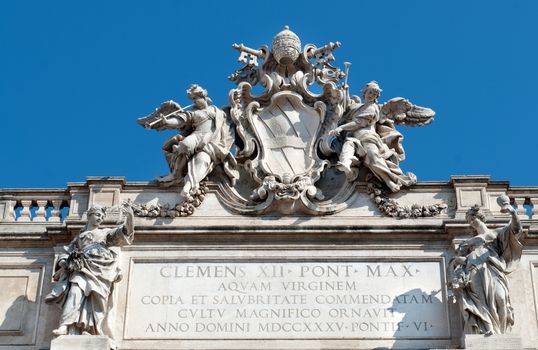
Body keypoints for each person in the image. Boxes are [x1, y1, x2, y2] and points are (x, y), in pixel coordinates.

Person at [45, 202, 134, 338]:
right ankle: (65, 325)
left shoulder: (105, 233)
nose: (100, 218)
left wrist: (130, 217)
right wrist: (64, 262)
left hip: (101, 269)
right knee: (75, 293)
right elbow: (67, 251)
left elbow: (125, 232)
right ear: (89, 215)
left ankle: (92, 328)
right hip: (81, 268)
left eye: (102, 217)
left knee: (98, 300)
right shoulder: (79, 237)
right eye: (97, 215)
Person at [146, 84, 236, 201]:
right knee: (184, 145)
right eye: (193, 99)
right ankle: (176, 174)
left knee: (202, 160)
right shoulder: (193, 112)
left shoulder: (217, 111)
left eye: (196, 98)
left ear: (203, 97)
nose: (195, 101)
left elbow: (231, 121)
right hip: (197, 135)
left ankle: (189, 185)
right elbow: (179, 121)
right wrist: (167, 121)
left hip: (211, 141)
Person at [449, 202, 524, 335]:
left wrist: (513, 213)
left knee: (501, 297)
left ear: (481, 217)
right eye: (469, 221)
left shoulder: (497, 233)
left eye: (473, 218)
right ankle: (488, 329)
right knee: (481, 302)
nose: (471, 222)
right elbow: (459, 260)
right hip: (474, 269)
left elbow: (516, 229)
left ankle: (501, 331)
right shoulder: (467, 243)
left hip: (492, 268)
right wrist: (459, 262)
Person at [329, 81, 415, 192]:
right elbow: (346, 107)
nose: (372, 96)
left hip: (368, 138)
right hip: (356, 139)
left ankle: (391, 180)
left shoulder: (373, 108)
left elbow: (359, 123)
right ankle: (346, 164)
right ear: (364, 93)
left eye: (374, 94)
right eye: (370, 93)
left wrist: (341, 128)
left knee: (373, 160)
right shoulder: (358, 107)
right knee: (349, 144)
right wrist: (346, 90)